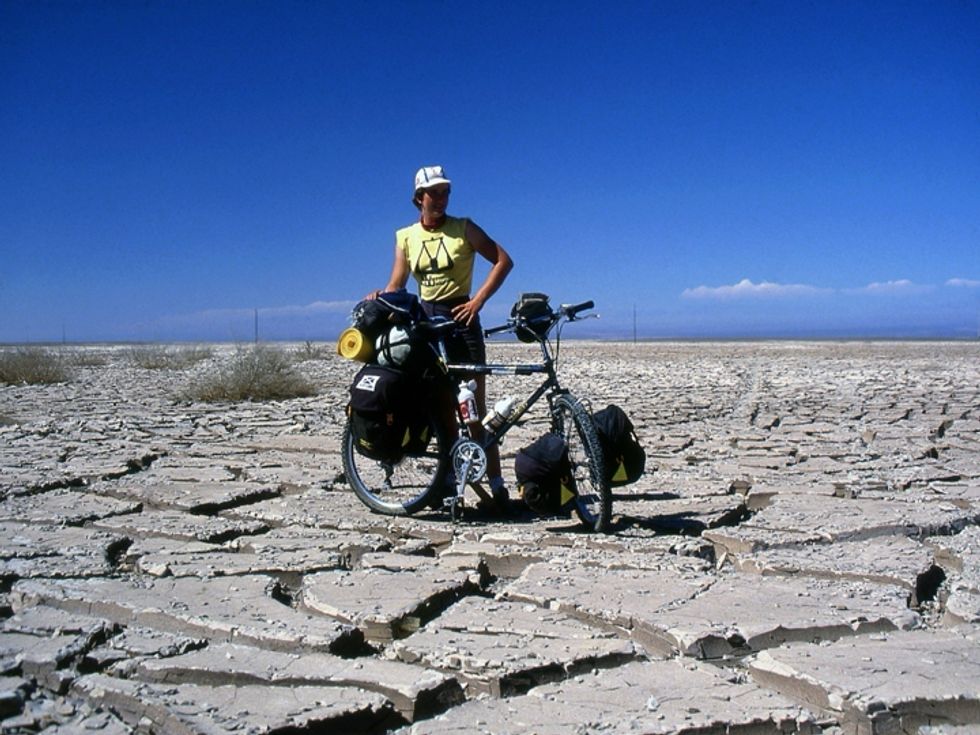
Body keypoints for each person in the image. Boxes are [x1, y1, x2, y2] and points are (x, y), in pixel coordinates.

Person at [366, 165, 513, 509]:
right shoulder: (405, 236)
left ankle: (496, 485)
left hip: (462, 318)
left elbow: (503, 261)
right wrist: (381, 298)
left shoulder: (464, 228)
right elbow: (398, 283)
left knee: (473, 407)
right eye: (435, 192)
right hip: (428, 322)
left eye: (446, 191)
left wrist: (477, 301)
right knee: (443, 406)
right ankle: (449, 482)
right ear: (420, 197)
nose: (442, 198)